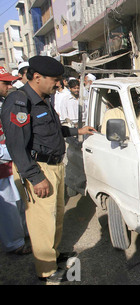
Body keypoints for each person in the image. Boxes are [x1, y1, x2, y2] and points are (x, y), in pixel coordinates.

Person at [0, 55, 96, 283]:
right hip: (38, 169)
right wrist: (35, 177)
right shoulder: (20, 101)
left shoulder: (43, 99)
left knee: (56, 216)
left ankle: (52, 256)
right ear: (37, 77)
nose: (59, 84)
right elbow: (16, 146)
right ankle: (46, 270)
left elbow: (50, 132)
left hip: (54, 165)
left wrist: (77, 132)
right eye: (55, 80)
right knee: (42, 221)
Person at [0, 66, 31, 256]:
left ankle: (22, 235)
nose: (9, 86)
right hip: (3, 163)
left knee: (19, 202)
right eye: (5, 83)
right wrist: (14, 150)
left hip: (12, 163)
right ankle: (14, 243)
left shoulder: (4, 101)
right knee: (8, 208)